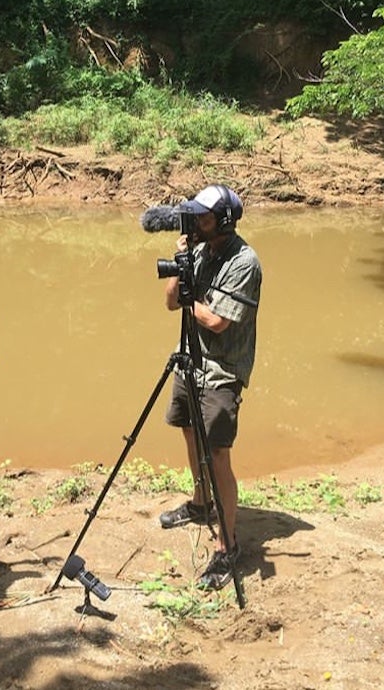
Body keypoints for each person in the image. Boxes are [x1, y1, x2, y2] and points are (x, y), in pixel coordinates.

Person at [159, 185, 262, 590]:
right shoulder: (198, 250)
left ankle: (227, 542)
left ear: (223, 220)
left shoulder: (245, 261)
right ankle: (201, 503)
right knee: (187, 430)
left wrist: (189, 297)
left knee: (218, 452)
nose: (195, 224)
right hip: (189, 359)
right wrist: (180, 264)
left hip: (221, 369)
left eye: (202, 218)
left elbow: (218, 321)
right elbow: (171, 302)